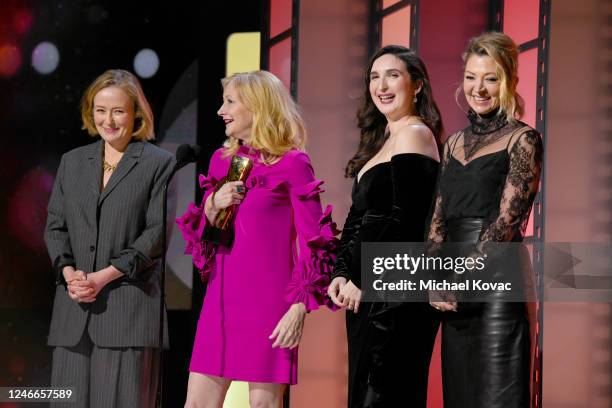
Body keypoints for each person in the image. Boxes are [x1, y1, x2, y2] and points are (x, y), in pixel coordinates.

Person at [176, 70, 338, 408]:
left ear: (258, 107)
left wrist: (298, 308)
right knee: (196, 404)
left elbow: (314, 243)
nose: (221, 110)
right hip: (221, 301)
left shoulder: (294, 163)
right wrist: (210, 207)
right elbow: (208, 247)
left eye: (230, 102)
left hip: (270, 305)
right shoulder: (223, 162)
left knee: (263, 406)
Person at [44, 69, 174, 407]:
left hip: (127, 317)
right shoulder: (71, 162)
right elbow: (55, 228)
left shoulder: (158, 163)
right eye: (100, 110)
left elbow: (156, 235)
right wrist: (70, 274)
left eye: (118, 111)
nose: (109, 120)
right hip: (72, 315)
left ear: (135, 113)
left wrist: (103, 277)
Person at [427, 32, 543, 407]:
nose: (478, 88)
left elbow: (507, 224)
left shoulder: (522, 139)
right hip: (453, 284)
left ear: (508, 80)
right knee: (459, 395)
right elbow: (440, 216)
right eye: (471, 77)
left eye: (490, 78)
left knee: (499, 396)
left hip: (497, 285)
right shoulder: (453, 143)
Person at [327, 45, 442, 407]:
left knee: (384, 394)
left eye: (393, 75)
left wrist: (364, 278)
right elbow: (357, 217)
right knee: (363, 392)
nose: (382, 85)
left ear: (417, 85)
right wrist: (341, 272)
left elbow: (405, 219)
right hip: (367, 290)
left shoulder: (416, 134)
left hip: (395, 291)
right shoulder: (378, 142)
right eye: (375, 77)